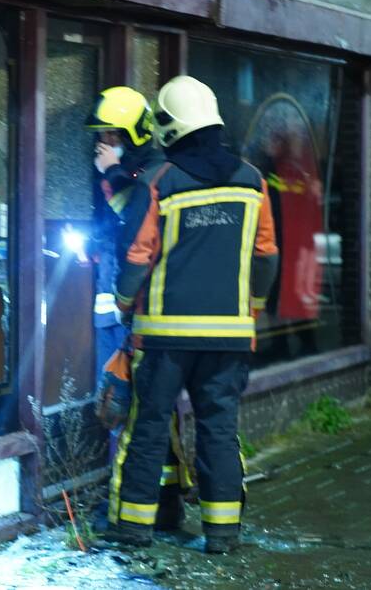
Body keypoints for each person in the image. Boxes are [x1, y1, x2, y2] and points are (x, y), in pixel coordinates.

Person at [104, 76, 278, 553]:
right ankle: (223, 534)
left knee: (149, 426)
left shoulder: (162, 181)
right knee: (219, 429)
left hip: (164, 337)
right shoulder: (253, 181)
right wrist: (254, 309)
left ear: (169, 126)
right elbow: (266, 257)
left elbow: (138, 255)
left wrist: (122, 304)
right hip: (229, 338)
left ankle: (133, 530)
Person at [86, 86, 192, 532]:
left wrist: (110, 176)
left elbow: (134, 236)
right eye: (102, 135)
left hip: (136, 315)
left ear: (132, 135)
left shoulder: (146, 175)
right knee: (149, 415)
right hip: (130, 312)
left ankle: (131, 514)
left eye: (110, 135)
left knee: (131, 415)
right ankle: (164, 504)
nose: (102, 144)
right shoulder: (136, 172)